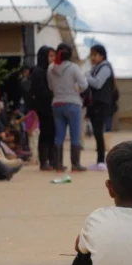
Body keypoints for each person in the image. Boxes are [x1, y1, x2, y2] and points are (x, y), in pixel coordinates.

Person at [48, 43, 88, 172]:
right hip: (73, 104)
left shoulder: (51, 68)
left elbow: (50, 87)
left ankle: (58, 165)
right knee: (75, 136)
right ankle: (75, 165)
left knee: (59, 136)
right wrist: (77, 89)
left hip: (57, 104)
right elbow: (84, 84)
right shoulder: (74, 68)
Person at [86, 45, 115, 171]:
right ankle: (99, 161)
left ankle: (102, 161)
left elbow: (97, 83)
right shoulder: (95, 68)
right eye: (91, 55)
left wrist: (86, 76)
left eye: (95, 55)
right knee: (97, 133)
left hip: (101, 104)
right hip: (95, 104)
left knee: (99, 132)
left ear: (102, 56)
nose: (93, 58)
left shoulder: (105, 68)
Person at [31, 46, 57, 171]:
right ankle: (44, 161)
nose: (53, 59)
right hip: (44, 107)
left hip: (51, 106)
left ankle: (52, 160)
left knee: (52, 133)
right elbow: (40, 91)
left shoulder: (49, 70)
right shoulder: (38, 71)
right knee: (46, 133)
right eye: (50, 56)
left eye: (54, 56)